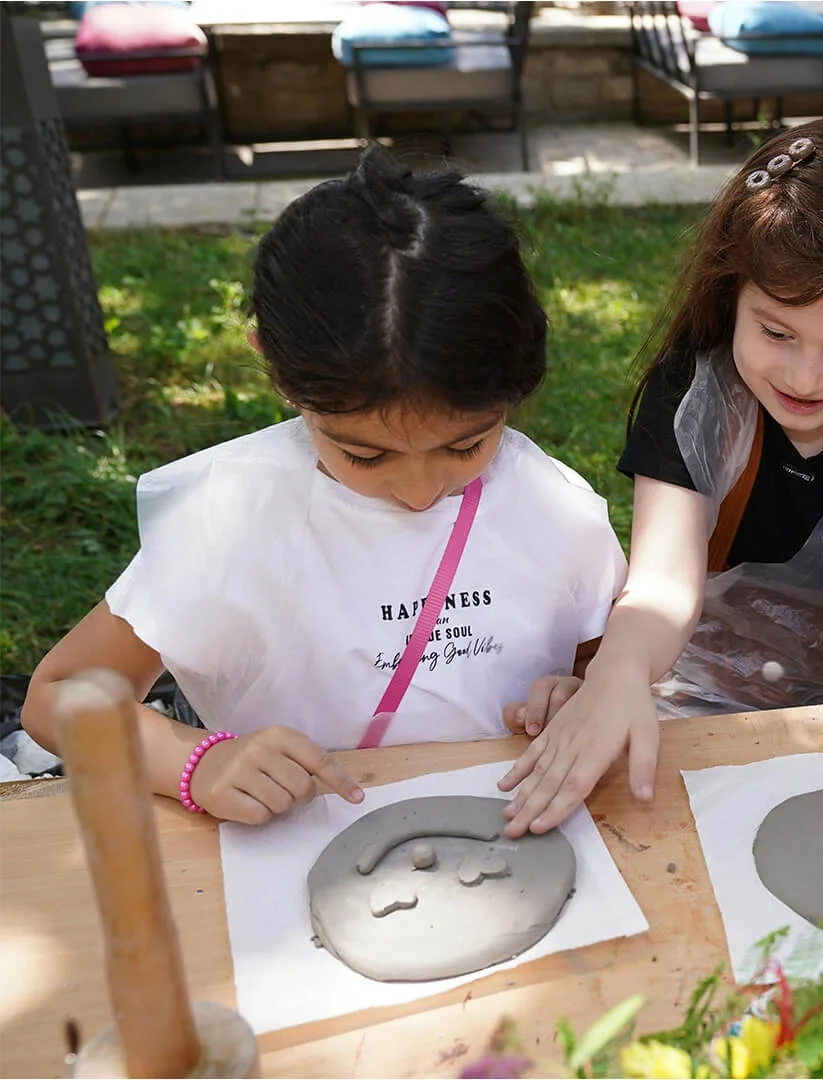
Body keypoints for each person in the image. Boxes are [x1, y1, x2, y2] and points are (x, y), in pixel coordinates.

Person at [21, 148, 626, 825]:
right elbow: (58, 694)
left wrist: (581, 693)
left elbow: (608, 660)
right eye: (365, 455)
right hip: (297, 848)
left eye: (466, 446)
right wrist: (197, 763)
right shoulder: (233, 518)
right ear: (275, 371)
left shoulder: (552, 506)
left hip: (515, 833)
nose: (420, 491)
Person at [499, 117, 823, 895]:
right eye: (776, 331)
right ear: (729, 292)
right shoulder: (693, 395)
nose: (806, 376)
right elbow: (664, 591)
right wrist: (617, 677)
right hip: (703, 707)